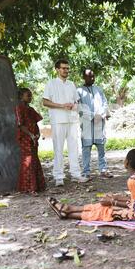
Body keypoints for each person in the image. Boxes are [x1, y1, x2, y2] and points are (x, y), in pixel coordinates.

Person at [47, 149, 135, 221]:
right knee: (104, 204)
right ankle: (69, 209)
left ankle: (69, 215)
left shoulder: (133, 181)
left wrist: (113, 202)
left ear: (126, 162)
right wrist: (115, 198)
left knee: (108, 212)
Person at [42, 59, 89, 187]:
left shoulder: (71, 84)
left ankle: (76, 175)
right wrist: (61, 105)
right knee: (58, 149)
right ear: (57, 69)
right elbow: (45, 102)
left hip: (72, 120)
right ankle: (58, 177)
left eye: (67, 68)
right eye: (63, 68)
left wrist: (73, 105)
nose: (66, 71)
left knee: (74, 148)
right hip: (58, 120)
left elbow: (77, 102)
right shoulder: (51, 84)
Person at [77, 68, 113, 179]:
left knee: (101, 148)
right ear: (84, 77)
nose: (92, 78)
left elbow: (104, 103)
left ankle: (103, 169)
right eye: (89, 76)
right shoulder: (78, 91)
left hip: (99, 123)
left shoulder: (98, 89)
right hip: (87, 124)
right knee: (86, 149)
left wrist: (100, 115)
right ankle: (86, 172)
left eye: (93, 76)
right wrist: (92, 116)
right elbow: (79, 107)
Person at [15, 88, 46, 195]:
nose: (30, 97)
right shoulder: (19, 108)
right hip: (25, 138)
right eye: (28, 95)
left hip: (33, 138)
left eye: (31, 95)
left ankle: (37, 186)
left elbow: (35, 123)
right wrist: (31, 135)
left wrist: (37, 134)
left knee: (34, 160)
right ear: (21, 97)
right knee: (28, 161)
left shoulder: (31, 109)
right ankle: (29, 188)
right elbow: (21, 125)